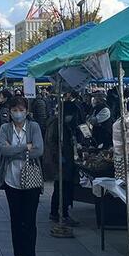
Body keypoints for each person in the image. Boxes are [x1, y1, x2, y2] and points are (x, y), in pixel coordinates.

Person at [0, 96, 44, 256]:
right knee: (16, 218)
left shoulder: (34, 127)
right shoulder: (5, 128)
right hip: (11, 179)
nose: (18, 113)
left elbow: (39, 150)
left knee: (30, 219)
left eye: (21, 109)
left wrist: (15, 150)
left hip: (31, 180)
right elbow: (3, 150)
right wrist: (26, 147)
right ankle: (19, 254)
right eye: (14, 110)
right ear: (10, 112)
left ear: (26, 111)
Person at [50, 94, 81, 225]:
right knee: (61, 187)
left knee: (64, 187)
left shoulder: (67, 125)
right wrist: (59, 157)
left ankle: (59, 212)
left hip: (68, 159)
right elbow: (52, 143)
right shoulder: (57, 125)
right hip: (61, 161)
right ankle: (60, 213)